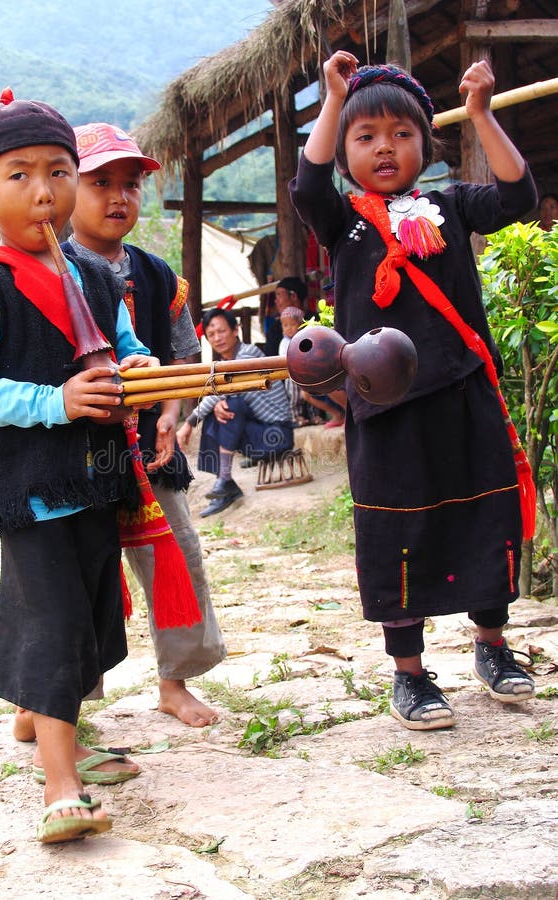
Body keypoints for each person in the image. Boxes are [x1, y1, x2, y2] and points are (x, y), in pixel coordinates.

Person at [290, 52, 537, 730]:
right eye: (364, 136)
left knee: (485, 519)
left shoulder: (451, 206)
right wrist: (332, 100)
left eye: (400, 134)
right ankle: (410, 674)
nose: (384, 148)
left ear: (425, 144)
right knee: (395, 533)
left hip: (462, 395)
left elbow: (518, 198)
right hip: (385, 409)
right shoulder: (341, 223)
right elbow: (306, 184)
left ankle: (492, 647)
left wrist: (481, 114)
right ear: (344, 151)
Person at [0, 90, 155, 842]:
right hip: (30, 485)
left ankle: (40, 717)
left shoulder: (95, 275)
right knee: (55, 622)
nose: (43, 191)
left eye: (59, 171)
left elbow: (123, 346)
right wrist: (55, 400)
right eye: (19, 175)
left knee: (92, 616)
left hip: (95, 476)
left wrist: (143, 370)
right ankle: (60, 786)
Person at [63, 121, 226, 727]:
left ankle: (175, 682)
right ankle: (67, 697)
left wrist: (172, 418)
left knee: (175, 555)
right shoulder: (48, 269)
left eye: (129, 184)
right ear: (65, 188)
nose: (117, 197)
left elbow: (182, 355)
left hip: (153, 449)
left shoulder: (159, 276)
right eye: (99, 181)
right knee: (79, 566)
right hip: (75, 452)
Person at [176, 308, 293, 517]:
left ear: (235, 330)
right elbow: (219, 392)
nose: (217, 338)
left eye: (221, 331)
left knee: (230, 404)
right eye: (211, 335)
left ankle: (224, 482)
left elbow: (222, 391)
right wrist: (217, 402)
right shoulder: (226, 363)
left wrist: (189, 422)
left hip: (276, 437)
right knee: (220, 407)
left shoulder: (248, 354)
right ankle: (224, 482)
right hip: (257, 436)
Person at [264, 276, 307, 356]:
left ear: (293, 296)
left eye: (279, 295)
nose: (276, 301)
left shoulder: (314, 322)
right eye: (286, 325)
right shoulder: (275, 329)